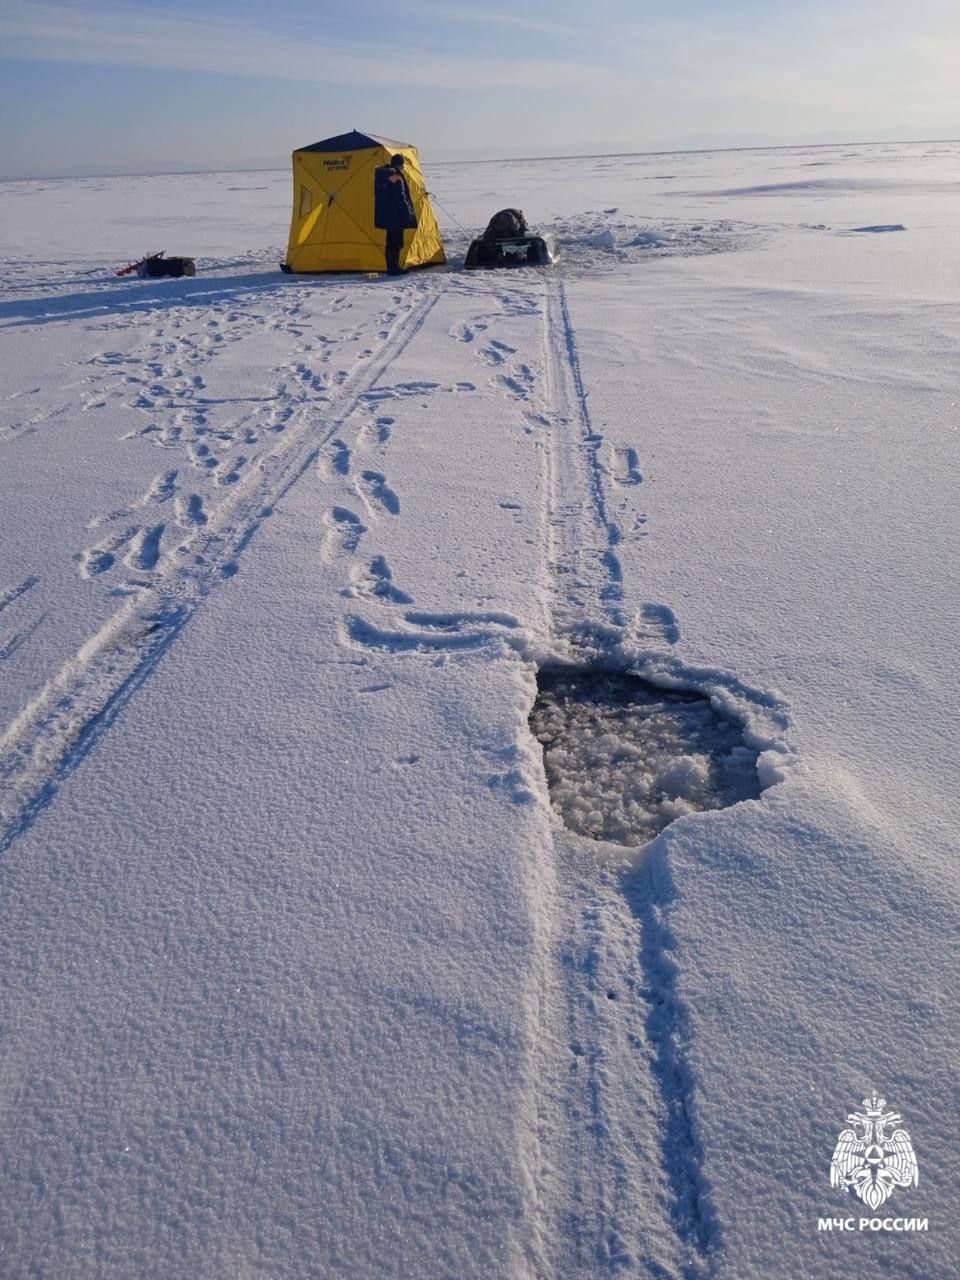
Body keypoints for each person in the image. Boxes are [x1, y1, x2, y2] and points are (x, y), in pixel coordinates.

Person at [374, 153, 418, 275]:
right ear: (400, 164)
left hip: (387, 215)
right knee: (396, 242)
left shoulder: (383, 174)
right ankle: (395, 268)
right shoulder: (395, 176)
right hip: (396, 216)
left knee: (390, 242)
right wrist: (407, 212)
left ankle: (391, 267)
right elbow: (400, 196)